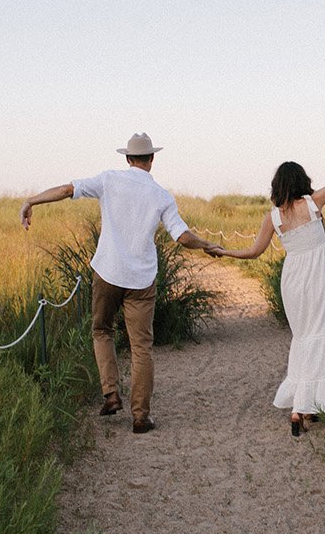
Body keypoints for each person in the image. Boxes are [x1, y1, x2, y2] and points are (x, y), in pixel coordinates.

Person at [21, 132, 219, 433]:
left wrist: (30, 201)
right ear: (151, 159)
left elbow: (65, 189)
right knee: (142, 348)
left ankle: (111, 394)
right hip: (141, 280)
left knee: (102, 331)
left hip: (107, 272)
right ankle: (140, 416)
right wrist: (206, 244)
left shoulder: (109, 180)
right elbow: (182, 237)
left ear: (128, 159)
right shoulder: (162, 196)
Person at [213, 129, 325, 436]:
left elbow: (253, 252)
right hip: (320, 280)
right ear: (302, 182)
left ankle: (303, 408)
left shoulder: (273, 217)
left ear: (278, 186)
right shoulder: (312, 203)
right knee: (324, 335)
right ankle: (302, 407)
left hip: (293, 282)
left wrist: (224, 251)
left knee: (305, 339)